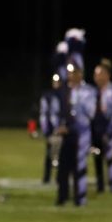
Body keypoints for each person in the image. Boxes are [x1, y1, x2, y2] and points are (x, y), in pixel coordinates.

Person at [54, 28, 96, 206]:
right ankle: (62, 198)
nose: (70, 75)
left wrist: (73, 116)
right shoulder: (65, 91)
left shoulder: (88, 92)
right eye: (69, 71)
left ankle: (80, 199)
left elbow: (89, 113)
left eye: (74, 71)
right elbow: (61, 110)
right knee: (62, 169)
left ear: (80, 73)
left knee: (79, 167)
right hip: (67, 134)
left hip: (81, 134)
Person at [90, 58, 112, 193]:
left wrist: (109, 131)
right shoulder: (92, 92)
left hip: (107, 127)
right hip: (94, 128)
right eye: (95, 74)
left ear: (106, 75)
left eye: (99, 74)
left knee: (109, 156)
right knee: (96, 155)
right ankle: (100, 184)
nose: (96, 77)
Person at [40, 41, 67, 184]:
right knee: (49, 154)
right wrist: (47, 131)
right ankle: (46, 177)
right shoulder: (48, 96)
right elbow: (44, 114)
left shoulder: (65, 96)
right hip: (52, 130)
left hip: (63, 129)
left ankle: (59, 178)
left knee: (63, 155)